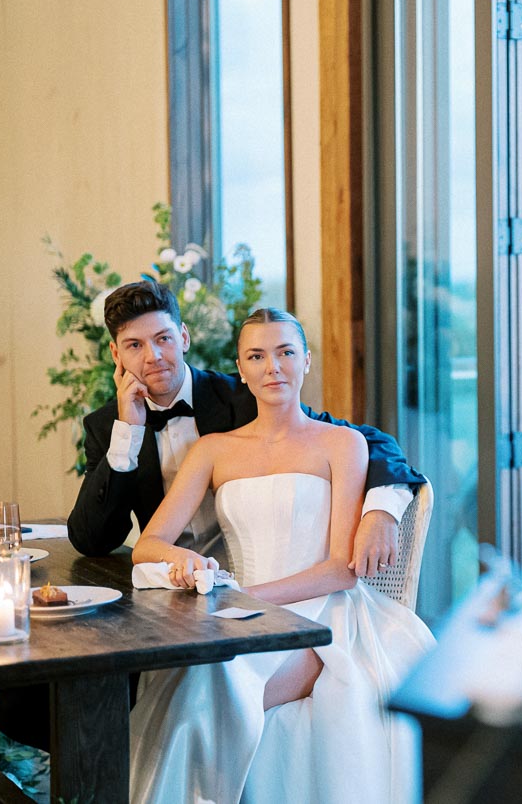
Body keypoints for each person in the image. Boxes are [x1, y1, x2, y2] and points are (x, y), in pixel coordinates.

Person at [0, 280, 425, 751]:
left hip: (256, 596)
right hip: (175, 594)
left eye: (162, 339)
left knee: (187, 704)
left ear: (183, 336)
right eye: (135, 346)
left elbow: (368, 441)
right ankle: (99, 777)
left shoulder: (246, 394)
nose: (153, 356)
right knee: (24, 703)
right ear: (116, 355)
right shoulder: (109, 424)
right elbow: (93, 538)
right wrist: (128, 432)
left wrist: (382, 510)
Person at [129, 307, 435, 803]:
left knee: (216, 690)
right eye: (257, 355)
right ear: (240, 368)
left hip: (323, 615)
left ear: (306, 361)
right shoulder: (212, 450)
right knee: (186, 682)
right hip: (236, 614)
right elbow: (149, 543)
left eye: (286, 352)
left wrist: (243, 595)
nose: (273, 367)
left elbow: (340, 569)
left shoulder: (342, 444)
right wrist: (184, 563)